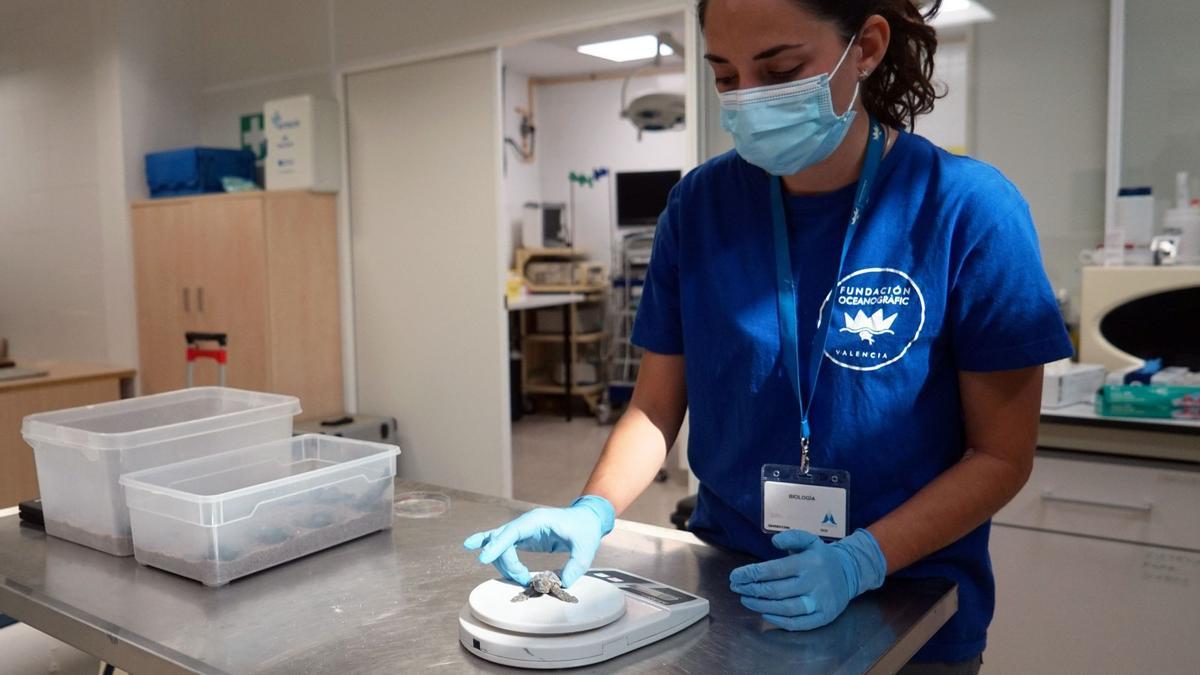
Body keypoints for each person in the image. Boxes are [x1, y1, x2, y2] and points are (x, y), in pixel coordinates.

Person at [466, 1, 1072, 671]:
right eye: (725, 76)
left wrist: (861, 558)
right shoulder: (698, 208)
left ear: (866, 47)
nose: (748, 100)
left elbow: (1001, 456)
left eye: (780, 69)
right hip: (729, 597)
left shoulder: (967, 210)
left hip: (908, 605)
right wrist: (593, 506)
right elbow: (655, 404)